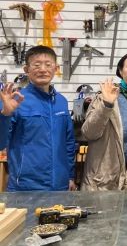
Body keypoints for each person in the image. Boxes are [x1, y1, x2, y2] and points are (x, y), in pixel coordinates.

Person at [0, 45, 76, 191]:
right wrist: (5, 114)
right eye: (36, 65)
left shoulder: (61, 101)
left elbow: (68, 142)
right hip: (25, 187)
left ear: (56, 69)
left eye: (48, 64)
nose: (42, 69)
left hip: (60, 186)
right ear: (26, 69)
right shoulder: (16, 100)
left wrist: (70, 176)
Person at [81, 51, 127, 190]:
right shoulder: (105, 95)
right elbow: (89, 133)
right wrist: (106, 105)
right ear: (120, 71)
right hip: (102, 180)